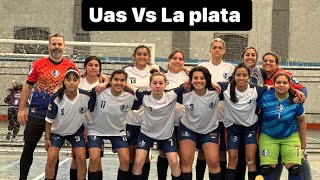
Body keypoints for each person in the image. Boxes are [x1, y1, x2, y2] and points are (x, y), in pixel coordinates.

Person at [17, 33, 78, 180]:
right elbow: (27, 87)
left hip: (58, 116)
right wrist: (21, 109)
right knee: (29, 146)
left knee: (53, 152)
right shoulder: (38, 64)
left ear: (64, 47)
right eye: (54, 44)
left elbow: (78, 84)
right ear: (49, 46)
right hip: (37, 113)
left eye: (59, 44)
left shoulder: (70, 66)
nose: (56, 47)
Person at [261, 51, 311, 180]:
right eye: (265, 60)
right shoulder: (261, 74)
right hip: (270, 129)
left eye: (271, 61)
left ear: (277, 64)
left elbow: (303, 89)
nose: (268, 63)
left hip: (289, 125)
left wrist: (298, 94)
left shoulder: (285, 75)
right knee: (271, 164)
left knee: (298, 161)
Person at [127, 72, 183, 180]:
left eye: (161, 83)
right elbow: (128, 85)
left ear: (165, 84)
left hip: (166, 135)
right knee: (138, 161)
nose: (158, 86)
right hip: (146, 134)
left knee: (174, 161)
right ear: (150, 85)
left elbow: (187, 83)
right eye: (155, 83)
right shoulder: (144, 96)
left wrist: (185, 69)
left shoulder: (172, 95)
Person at [86, 69, 139, 180]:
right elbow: (87, 96)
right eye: (116, 79)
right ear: (110, 81)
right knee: (94, 158)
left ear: (126, 82)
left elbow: (144, 96)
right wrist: (104, 84)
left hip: (117, 131)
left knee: (125, 159)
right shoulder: (99, 92)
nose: (119, 82)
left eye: (122, 80)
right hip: (96, 129)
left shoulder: (130, 97)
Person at [44, 69, 95, 180]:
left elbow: (97, 104)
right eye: (69, 79)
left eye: (75, 79)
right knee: (51, 158)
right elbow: (48, 120)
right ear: (64, 81)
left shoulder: (86, 96)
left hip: (76, 131)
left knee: (81, 159)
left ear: (79, 82)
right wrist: (47, 138)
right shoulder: (57, 97)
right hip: (57, 131)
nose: (72, 82)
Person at [222, 63, 268, 180]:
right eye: (238, 75)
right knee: (232, 159)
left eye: (244, 75)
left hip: (250, 128)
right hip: (233, 129)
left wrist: (297, 92)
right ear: (234, 76)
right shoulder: (225, 88)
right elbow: (208, 84)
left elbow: (276, 87)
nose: (241, 78)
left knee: (250, 160)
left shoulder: (256, 90)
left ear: (249, 77)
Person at [197, 37, 235, 179]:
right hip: (205, 116)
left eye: (220, 48)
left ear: (224, 51)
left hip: (222, 116)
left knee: (221, 152)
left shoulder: (230, 68)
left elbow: (231, 89)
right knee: (202, 151)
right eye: (215, 47)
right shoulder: (202, 66)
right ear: (210, 50)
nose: (217, 50)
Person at [123, 45, 162, 179]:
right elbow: (117, 83)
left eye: (145, 54)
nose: (142, 57)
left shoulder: (155, 70)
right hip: (130, 117)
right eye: (139, 54)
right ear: (134, 56)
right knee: (130, 154)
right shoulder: (127, 71)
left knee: (144, 155)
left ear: (149, 57)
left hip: (148, 118)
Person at [179, 66, 222, 180]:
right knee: (186, 160)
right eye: (195, 78)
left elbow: (234, 86)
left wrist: (211, 83)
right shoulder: (185, 93)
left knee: (213, 162)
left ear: (207, 80)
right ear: (191, 80)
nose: (199, 81)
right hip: (189, 129)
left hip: (210, 130)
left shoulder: (216, 92)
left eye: (202, 78)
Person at [70, 56, 104, 180]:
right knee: (77, 159)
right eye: (90, 65)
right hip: (79, 126)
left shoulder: (104, 84)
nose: (93, 67)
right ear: (85, 67)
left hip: (97, 127)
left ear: (100, 68)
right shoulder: (79, 82)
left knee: (96, 159)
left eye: (96, 65)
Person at [157, 49, 189, 180]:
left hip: (184, 122)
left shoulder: (189, 77)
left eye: (180, 59)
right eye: (174, 58)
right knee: (164, 153)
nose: (177, 61)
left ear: (184, 62)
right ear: (169, 61)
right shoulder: (161, 77)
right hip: (165, 122)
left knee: (183, 155)